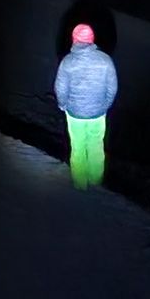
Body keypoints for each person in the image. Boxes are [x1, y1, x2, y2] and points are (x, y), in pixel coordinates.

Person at [55, 21, 118, 188]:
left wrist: (63, 105)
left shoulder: (67, 62)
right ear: (92, 39)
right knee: (96, 148)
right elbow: (112, 88)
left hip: (75, 115)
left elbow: (60, 89)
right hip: (98, 114)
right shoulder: (105, 60)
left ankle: (80, 185)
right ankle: (96, 184)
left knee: (77, 149)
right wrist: (105, 105)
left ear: (74, 40)